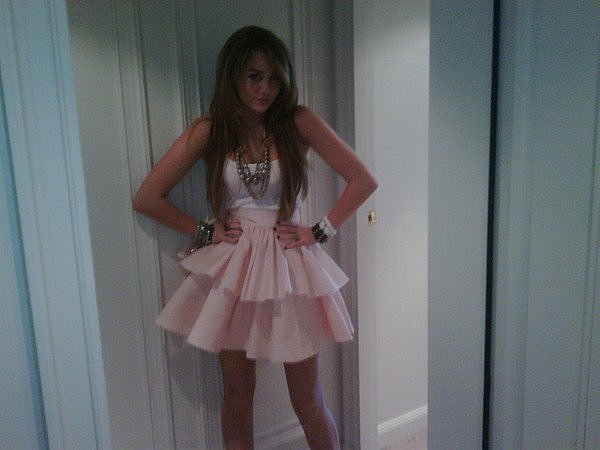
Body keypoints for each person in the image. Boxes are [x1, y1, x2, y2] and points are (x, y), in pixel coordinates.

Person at [133, 25, 377, 450]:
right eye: (254, 76)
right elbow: (147, 197)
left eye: (274, 78)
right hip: (236, 269)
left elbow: (363, 180)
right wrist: (204, 229)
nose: (265, 89)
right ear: (233, 76)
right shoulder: (211, 130)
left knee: (309, 400)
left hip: (289, 266)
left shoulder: (298, 121)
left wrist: (319, 230)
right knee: (237, 395)